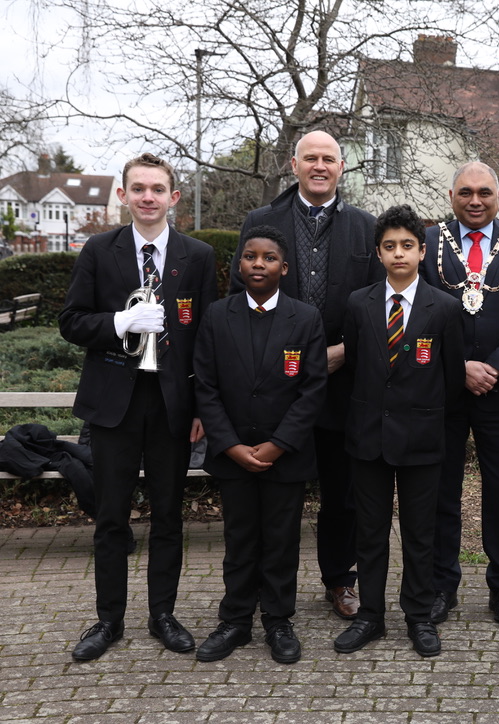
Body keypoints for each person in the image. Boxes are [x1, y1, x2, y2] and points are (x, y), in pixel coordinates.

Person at [59, 152, 218, 661]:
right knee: (111, 517)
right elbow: (71, 321)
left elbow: (208, 338)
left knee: (168, 515)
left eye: (158, 189)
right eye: (139, 188)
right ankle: (109, 620)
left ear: (174, 197)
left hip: (173, 404)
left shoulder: (197, 255)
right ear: (124, 195)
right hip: (115, 405)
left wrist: (203, 408)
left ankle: (162, 615)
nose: (148, 197)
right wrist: (119, 323)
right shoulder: (98, 250)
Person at [233, 130, 383, 620]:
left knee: (342, 493)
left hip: (343, 380)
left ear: (342, 167)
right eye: (310, 158)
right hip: (275, 384)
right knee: (276, 493)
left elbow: (379, 306)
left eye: (329, 159)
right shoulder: (261, 223)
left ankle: (341, 579)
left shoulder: (365, 227)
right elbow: (240, 298)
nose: (320, 166)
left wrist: (343, 352)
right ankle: (265, 586)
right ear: (293, 165)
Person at [421, 161, 499, 626]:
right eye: (465, 192)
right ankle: (441, 586)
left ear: (498, 196)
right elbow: (422, 311)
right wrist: (459, 368)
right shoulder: (429, 241)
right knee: (442, 491)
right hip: (446, 390)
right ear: (451, 196)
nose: (475, 201)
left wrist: (494, 367)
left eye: (484, 193)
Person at [334, 205, 465, 658]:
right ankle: (370, 615)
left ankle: (419, 616)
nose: (398, 254)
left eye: (407, 245)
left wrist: (425, 418)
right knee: (370, 533)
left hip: (422, 440)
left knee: (419, 533)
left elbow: (452, 380)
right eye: (389, 246)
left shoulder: (444, 308)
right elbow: (354, 367)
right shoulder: (359, 303)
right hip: (368, 437)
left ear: (422, 251)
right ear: (378, 253)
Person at [193, 225, 328, 664]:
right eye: (250, 256)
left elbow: (312, 390)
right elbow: (206, 387)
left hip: (284, 457)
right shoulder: (217, 315)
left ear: (283, 268)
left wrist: (278, 444)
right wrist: (230, 445)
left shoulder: (305, 318)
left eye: (269, 258)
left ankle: (278, 619)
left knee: (281, 541)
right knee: (239, 539)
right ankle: (235, 620)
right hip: (233, 454)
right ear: (239, 265)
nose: (258, 264)